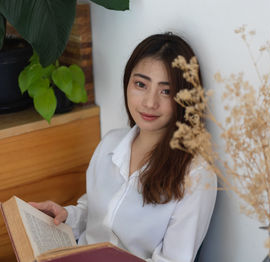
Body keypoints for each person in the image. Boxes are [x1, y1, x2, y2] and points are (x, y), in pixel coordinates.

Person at [30, 33, 217, 262]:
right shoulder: (110, 143)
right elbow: (97, 213)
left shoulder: (196, 176)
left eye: (166, 91)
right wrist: (67, 214)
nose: (150, 102)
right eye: (141, 84)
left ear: (185, 98)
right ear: (127, 83)